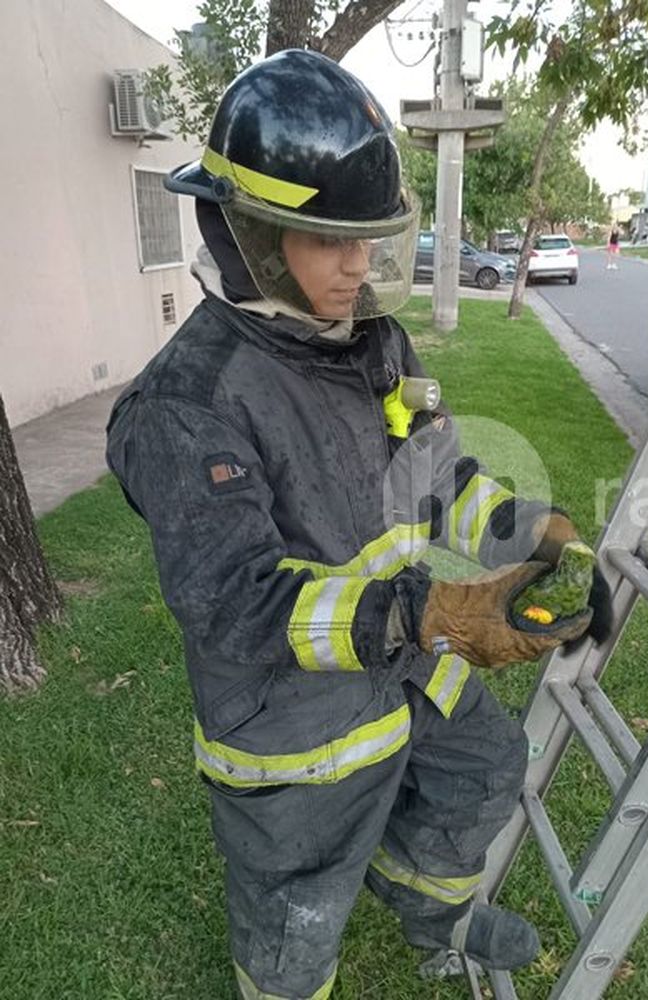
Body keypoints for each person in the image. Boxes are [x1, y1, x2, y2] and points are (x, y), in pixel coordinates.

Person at [105, 50, 610, 998]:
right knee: (298, 916)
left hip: (409, 671)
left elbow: (438, 476)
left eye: (368, 238)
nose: (360, 264)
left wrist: (531, 532)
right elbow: (238, 602)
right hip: (296, 731)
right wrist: (438, 615)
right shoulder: (187, 405)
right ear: (249, 232)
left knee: (488, 764)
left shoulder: (376, 343)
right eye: (329, 239)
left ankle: (433, 913)